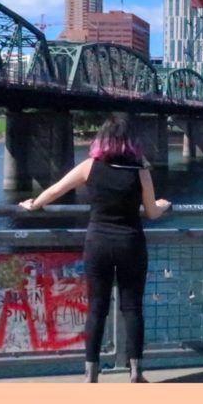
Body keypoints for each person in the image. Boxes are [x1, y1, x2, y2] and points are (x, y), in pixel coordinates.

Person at [18, 115, 172, 382]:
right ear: (131, 143)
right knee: (132, 307)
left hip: (98, 242)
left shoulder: (90, 167)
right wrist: (164, 204)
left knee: (96, 307)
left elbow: (55, 190)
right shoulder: (140, 172)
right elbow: (152, 213)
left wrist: (34, 204)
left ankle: (90, 373)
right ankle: (136, 372)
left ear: (101, 140)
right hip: (130, 243)